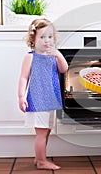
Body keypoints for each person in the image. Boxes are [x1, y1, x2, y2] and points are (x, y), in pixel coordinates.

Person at [18, 18, 68, 170]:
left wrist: (58, 54)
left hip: (50, 99)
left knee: (46, 131)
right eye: (42, 37)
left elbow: (64, 69)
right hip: (38, 99)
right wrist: (21, 96)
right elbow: (23, 77)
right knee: (41, 132)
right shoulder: (31, 57)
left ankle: (39, 157)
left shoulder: (53, 56)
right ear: (33, 39)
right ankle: (41, 161)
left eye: (50, 37)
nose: (47, 41)